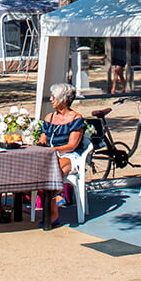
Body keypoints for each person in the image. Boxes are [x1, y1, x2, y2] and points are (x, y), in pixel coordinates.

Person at [39, 83, 90, 223]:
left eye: (53, 97)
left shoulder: (76, 119)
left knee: (54, 168)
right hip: (50, 155)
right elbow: (43, 139)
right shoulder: (49, 117)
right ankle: (55, 201)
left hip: (68, 155)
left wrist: (52, 150)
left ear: (63, 99)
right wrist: (41, 146)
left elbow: (72, 146)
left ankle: (53, 214)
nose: (50, 99)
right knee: (38, 169)